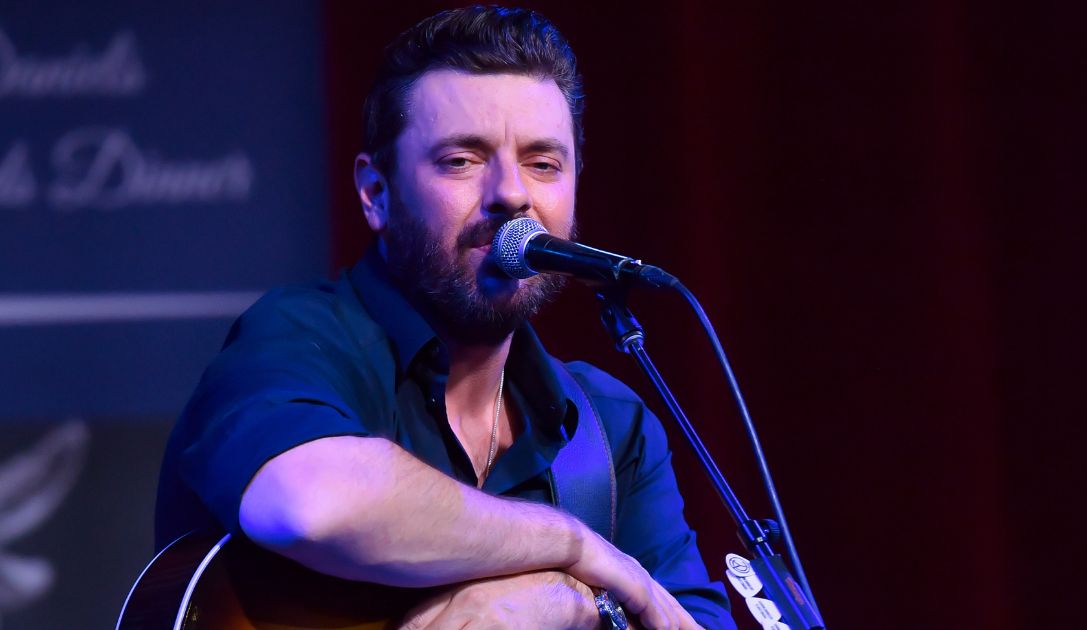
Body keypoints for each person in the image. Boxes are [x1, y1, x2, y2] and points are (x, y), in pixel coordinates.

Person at [155, 6, 734, 629]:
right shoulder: (298, 339)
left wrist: (568, 604)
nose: (511, 194)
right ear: (376, 194)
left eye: (544, 163)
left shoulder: (612, 429)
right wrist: (571, 546)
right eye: (461, 159)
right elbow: (309, 502)